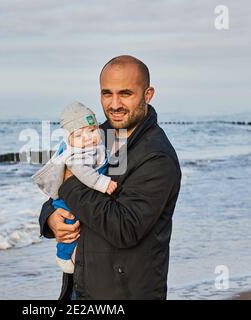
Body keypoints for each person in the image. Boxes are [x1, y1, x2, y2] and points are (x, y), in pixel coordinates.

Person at [39, 55, 181, 300]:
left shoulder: (157, 157)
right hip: (80, 286)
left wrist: (70, 182)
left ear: (147, 95)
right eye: (107, 93)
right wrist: (50, 219)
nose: (114, 104)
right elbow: (55, 187)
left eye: (125, 93)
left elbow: (125, 228)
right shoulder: (95, 136)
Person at [32, 101, 117, 274]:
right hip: (67, 204)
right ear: (69, 138)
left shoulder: (104, 143)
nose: (87, 138)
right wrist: (49, 218)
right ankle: (64, 256)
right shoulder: (76, 154)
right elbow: (84, 173)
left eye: (91, 131)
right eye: (78, 135)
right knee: (70, 226)